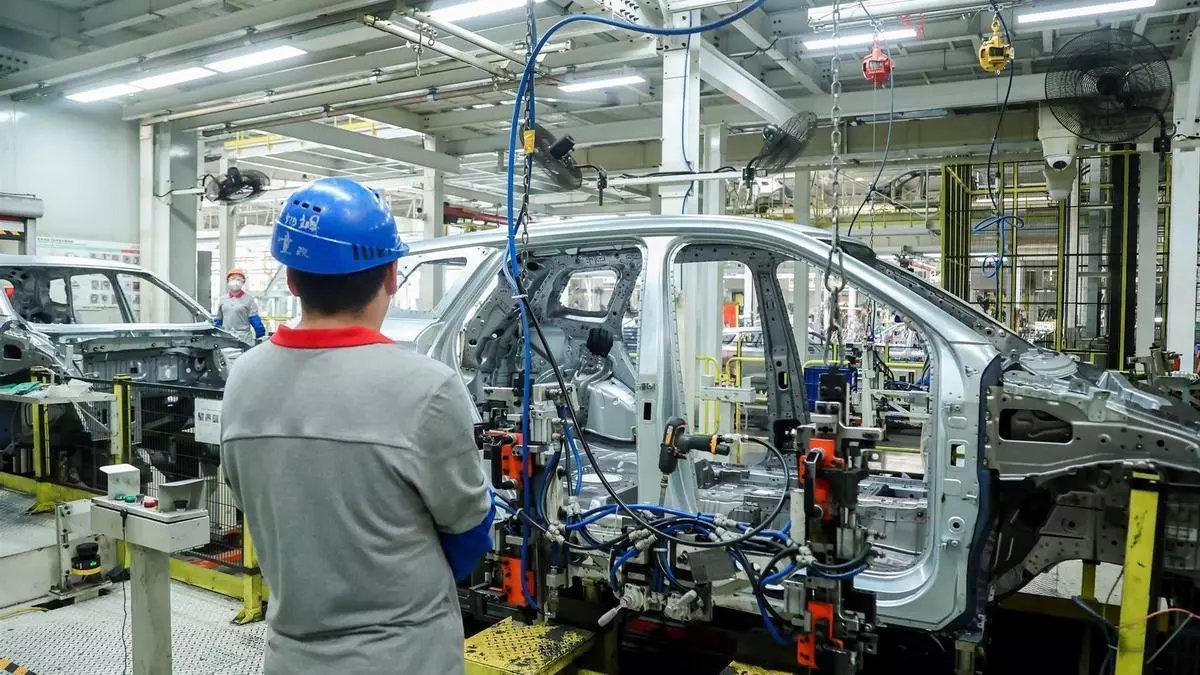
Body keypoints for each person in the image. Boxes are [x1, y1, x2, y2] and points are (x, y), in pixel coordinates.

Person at [220, 177, 494, 675]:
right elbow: (470, 532)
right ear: (391, 274)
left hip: (292, 657)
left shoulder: (243, 379)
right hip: (406, 658)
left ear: (292, 280)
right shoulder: (427, 388)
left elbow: (254, 503)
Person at [214, 268, 266, 344]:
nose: (235, 282)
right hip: (226, 339)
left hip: (244, 340)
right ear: (228, 281)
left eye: (238, 279)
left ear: (243, 282)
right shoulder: (223, 299)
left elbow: (256, 322)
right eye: (232, 279)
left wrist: (260, 340)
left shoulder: (249, 299)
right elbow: (218, 321)